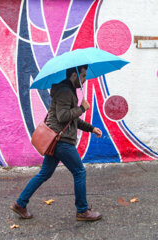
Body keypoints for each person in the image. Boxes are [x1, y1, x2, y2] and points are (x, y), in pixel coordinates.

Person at [10, 65, 103, 221]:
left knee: (44, 173)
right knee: (79, 172)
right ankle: (82, 211)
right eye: (84, 75)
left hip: (55, 140)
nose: (85, 79)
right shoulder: (66, 92)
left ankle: (20, 204)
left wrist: (91, 128)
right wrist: (82, 108)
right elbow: (63, 116)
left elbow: (71, 119)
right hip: (62, 141)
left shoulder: (68, 91)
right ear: (75, 75)